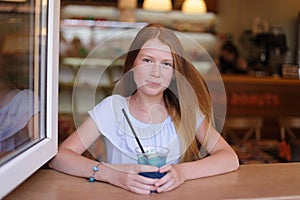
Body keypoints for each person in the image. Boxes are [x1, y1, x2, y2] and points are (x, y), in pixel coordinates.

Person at [49, 24, 239, 194]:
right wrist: (112, 174)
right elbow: (60, 157)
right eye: (147, 60)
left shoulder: (184, 111)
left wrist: (182, 172)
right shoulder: (113, 109)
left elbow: (229, 158)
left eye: (166, 64)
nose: (156, 73)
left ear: (174, 74)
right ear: (133, 64)